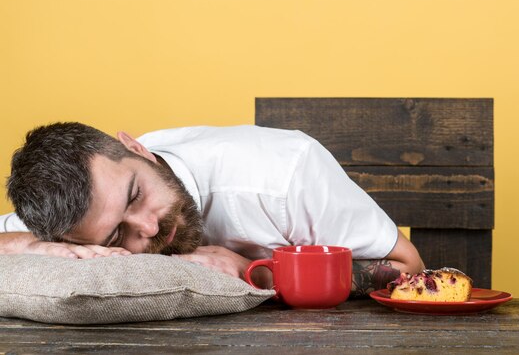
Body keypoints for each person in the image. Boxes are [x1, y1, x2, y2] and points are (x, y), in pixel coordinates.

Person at [0, 122, 424, 296]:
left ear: (136, 148)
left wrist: (254, 270)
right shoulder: (73, 210)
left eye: (136, 196)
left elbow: (408, 269)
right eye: (116, 236)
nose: (149, 227)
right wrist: (34, 247)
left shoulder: (283, 174)